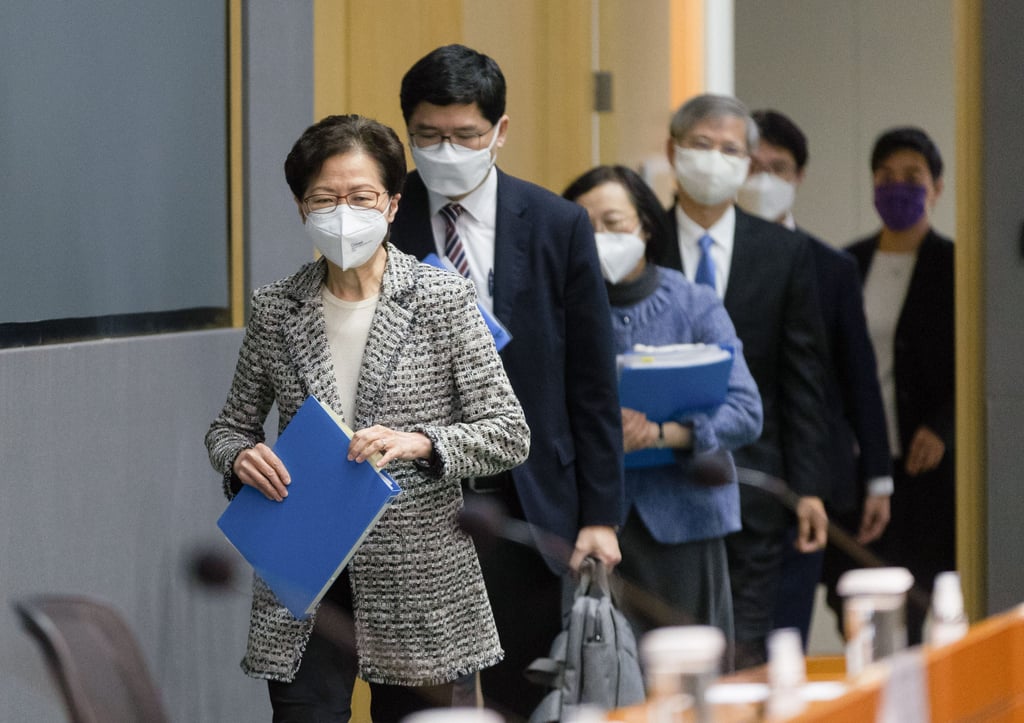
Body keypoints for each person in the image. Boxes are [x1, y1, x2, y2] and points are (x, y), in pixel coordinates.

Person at [204, 114, 531, 722]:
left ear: (392, 203)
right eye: (324, 199)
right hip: (306, 565)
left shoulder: (442, 298)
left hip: (421, 576)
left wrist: (420, 443)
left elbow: (508, 432)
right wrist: (240, 458)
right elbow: (230, 428)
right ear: (303, 209)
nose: (343, 213)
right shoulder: (277, 307)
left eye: (360, 197)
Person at [389, 45, 624, 719]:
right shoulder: (383, 222)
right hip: (419, 503)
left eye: (464, 135)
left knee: (531, 693)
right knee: (422, 701)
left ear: (500, 130)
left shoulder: (556, 224)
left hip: (529, 503)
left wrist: (601, 514)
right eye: (427, 135)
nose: (446, 149)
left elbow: (591, 381)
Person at [658, 93, 831, 668]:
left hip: (754, 480)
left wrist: (806, 486)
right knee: (672, 649)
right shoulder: (638, 243)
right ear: (673, 151)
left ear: (748, 163)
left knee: (746, 650)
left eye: (729, 150)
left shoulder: (783, 251)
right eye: (701, 146)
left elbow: (802, 376)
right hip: (656, 488)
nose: (714, 160)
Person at [562, 165, 763, 648]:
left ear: (646, 227)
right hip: (587, 524)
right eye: (585, 226)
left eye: (614, 223)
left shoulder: (694, 303)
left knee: (690, 675)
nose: (600, 237)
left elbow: (746, 411)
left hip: (684, 521)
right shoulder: (557, 306)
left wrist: (658, 433)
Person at [738, 109, 894, 647]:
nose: (764, 180)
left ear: (799, 175)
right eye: (753, 166)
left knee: (789, 627)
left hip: (811, 476)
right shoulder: (713, 255)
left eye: (777, 167)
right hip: (734, 465)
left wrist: (877, 475)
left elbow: (859, 378)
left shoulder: (832, 267)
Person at [845, 126, 955, 644]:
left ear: (937, 187)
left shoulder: (957, 267)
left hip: (925, 463)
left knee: (922, 596)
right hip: (861, 461)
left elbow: (977, 363)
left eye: (912, 177)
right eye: (885, 176)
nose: (897, 187)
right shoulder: (848, 265)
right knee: (860, 602)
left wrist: (944, 426)